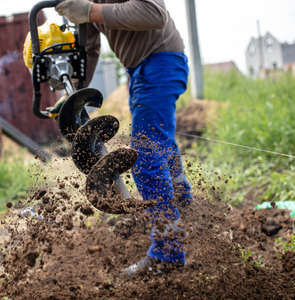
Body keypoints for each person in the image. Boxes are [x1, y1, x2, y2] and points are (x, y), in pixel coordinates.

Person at [55, 0, 193, 276]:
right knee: (158, 141)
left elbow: (154, 14)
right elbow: (90, 47)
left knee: (145, 158)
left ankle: (168, 253)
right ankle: (182, 201)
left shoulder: (90, 6)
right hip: (140, 69)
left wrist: (91, 12)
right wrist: (74, 97)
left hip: (161, 61)